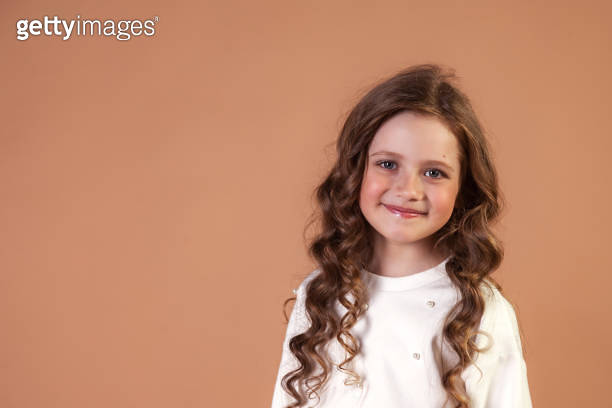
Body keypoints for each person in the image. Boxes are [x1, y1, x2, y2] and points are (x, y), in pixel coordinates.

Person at [270, 64, 533, 408]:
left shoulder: (478, 310)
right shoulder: (320, 294)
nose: (408, 190)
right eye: (388, 164)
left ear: (463, 189)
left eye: (434, 172)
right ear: (356, 169)